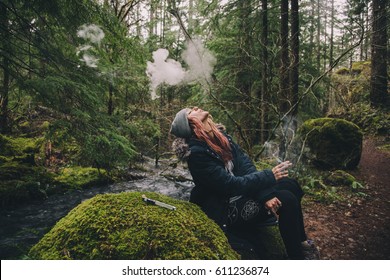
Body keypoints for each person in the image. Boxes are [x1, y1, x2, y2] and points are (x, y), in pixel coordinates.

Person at [170, 107, 320, 260]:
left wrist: (265, 195)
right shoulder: (196, 153)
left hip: (241, 193)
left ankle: (301, 245)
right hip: (225, 209)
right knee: (286, 200)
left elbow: (245, 165)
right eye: (190, 111)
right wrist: (269, 176)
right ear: (190, 124)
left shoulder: (222, 137)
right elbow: (229, 185)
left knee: (290, 185)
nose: (195, 107)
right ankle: (297, 259)